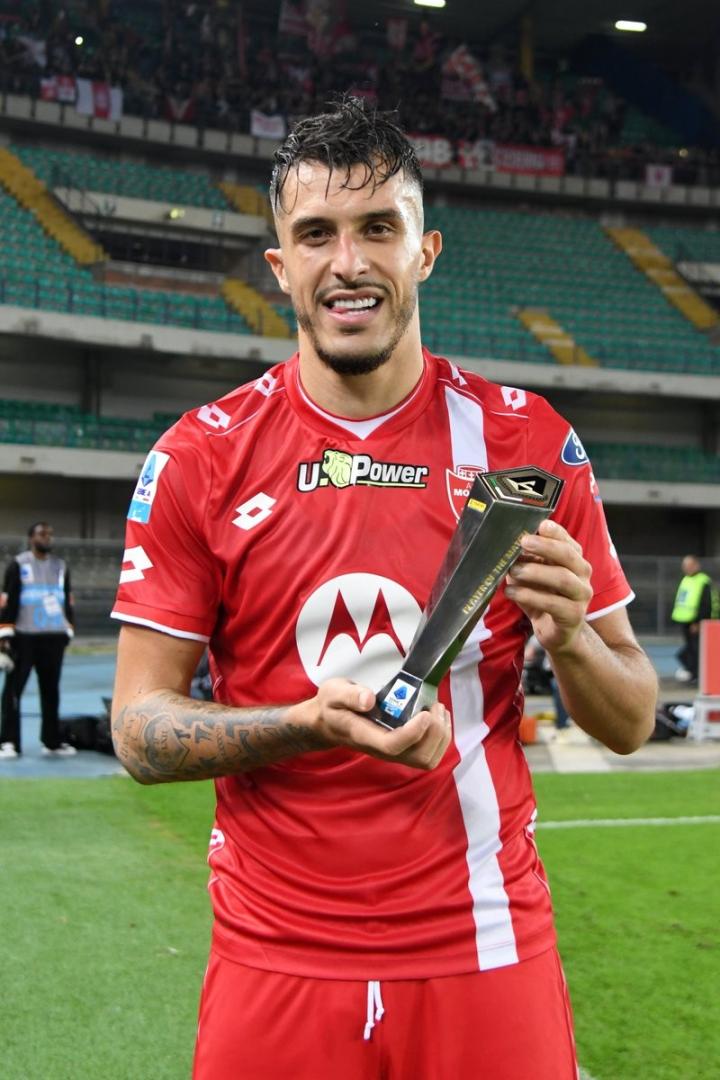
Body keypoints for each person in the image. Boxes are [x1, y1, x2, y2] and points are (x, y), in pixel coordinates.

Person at [110, 97, 657, 1080]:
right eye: (316, 234)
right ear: (280, 266)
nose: (349, 263)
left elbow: (631, 721)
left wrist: (572, 638)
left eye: (378, 228)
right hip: (276, 954)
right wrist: (302, 725)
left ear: (426, 251)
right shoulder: (200, 458)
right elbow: (139, 731)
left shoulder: (528, 447)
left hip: (483, 944)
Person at [0, 522, 77, 758]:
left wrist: (68, 628)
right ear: (31, 538)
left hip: (53, 637)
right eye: (42, 534)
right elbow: (8, 600)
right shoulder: (18, 564)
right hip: (24, 637)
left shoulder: (61, 566)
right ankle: (9, 742)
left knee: (51, 690)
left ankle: (51, 742)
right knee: (13, 690)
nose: (47, 538)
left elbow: (67, 598)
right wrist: (5, 634)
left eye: (50, 534)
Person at [671, 554, 720, 683]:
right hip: (685, 621)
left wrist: (698, 622)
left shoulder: (703, 581)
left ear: (696, 565)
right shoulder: (686, 579)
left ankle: (699, 676)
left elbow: (706, 604)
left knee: (697, 650)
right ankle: (693, 674)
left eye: (689, 565)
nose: (686, 568)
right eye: (684, 565)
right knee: (691, 650)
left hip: (696, 623)